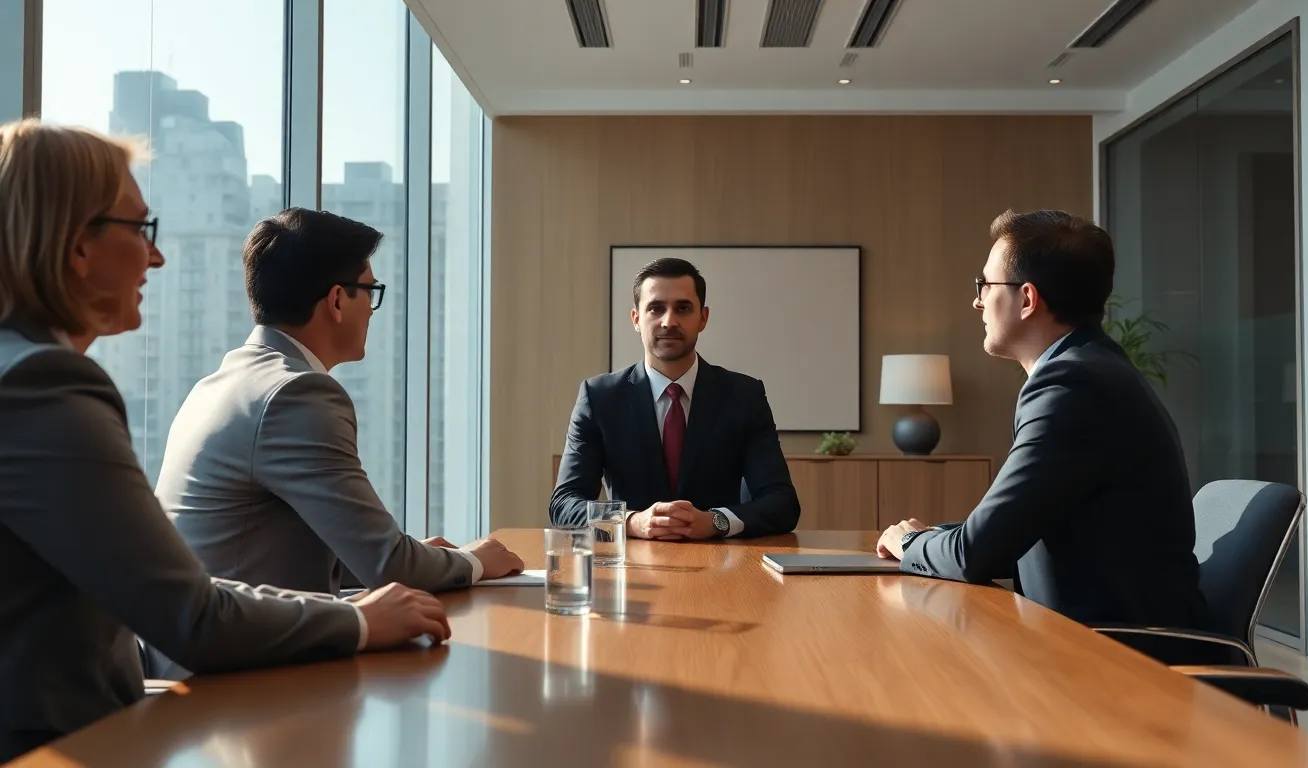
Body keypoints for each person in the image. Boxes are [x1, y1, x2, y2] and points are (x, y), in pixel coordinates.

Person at [0, 119, 448, 762]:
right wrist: (357, 620)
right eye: (141, 230)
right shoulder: (44, 385)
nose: (156, 257)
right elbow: (192, 615)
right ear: (77, 246)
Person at [156, 208, 524, 598]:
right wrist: (478, 561)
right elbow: (388, 565)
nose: (370, 309)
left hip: (204, 645)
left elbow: (281, 547)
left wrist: (417, 556)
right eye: (370, 292)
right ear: (336, 300)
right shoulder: (296, 395)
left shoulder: (218, 385)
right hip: (246, 654)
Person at [876, 209, 1207, 628]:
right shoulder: (1092, 367)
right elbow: (1014, 528)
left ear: (1028, 299)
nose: (977, 300)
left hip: (1118, 656)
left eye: (985, 285)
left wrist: (911, 543)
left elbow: (975, 555)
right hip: (1091, 635)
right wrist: (935, 538)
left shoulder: (1072, 385)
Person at [549, 257, 800, 540]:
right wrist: (631, 521)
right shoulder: (599, 398)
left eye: (683, 308)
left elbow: (782, 503)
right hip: (630, 566)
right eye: (656, 308)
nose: (669, 321)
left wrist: (716, 521)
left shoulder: (744, 396)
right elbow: (564, 504)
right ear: (636, 319)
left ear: (703, 318)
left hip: (723, 567)